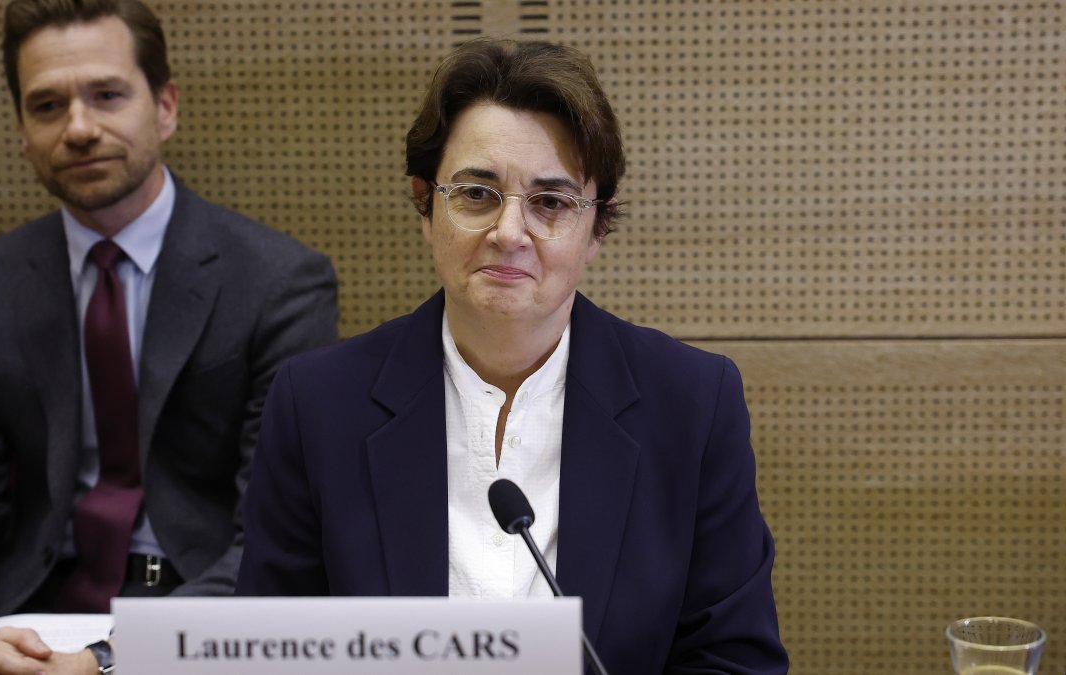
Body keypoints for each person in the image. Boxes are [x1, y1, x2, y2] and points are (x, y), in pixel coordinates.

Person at [235, 38, 787, 674]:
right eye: (476, 193)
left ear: (597, 227)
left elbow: (733, 661)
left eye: (551, 202)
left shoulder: (691, 403)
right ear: (425, 206)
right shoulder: (317, 404)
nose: (508, 232)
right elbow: (271, 652)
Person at [0, 0, 339, 673]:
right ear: (19, 128)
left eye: (106, 95)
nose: (78, 128)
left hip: (197, 619)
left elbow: (277, 539)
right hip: (22, 624)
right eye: (46, 106)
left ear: (165, 107)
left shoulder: (279, 283)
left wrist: (111, 661)